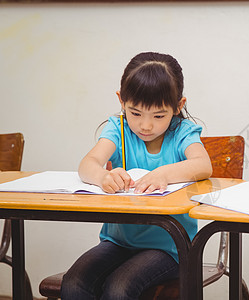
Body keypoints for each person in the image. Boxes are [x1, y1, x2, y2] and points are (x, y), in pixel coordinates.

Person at [61, 52, 212, 299]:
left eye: (159, 115)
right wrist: (102, 177)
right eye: (136, 113)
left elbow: (203, 165)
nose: (145, 126)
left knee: (119, 288)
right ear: (122, 101)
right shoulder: (118, 128)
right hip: (118, 242)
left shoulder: (182, 132)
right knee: (74, 282)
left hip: (170, 248)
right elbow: (87, 164)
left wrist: (163, 173)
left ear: (179, 106)